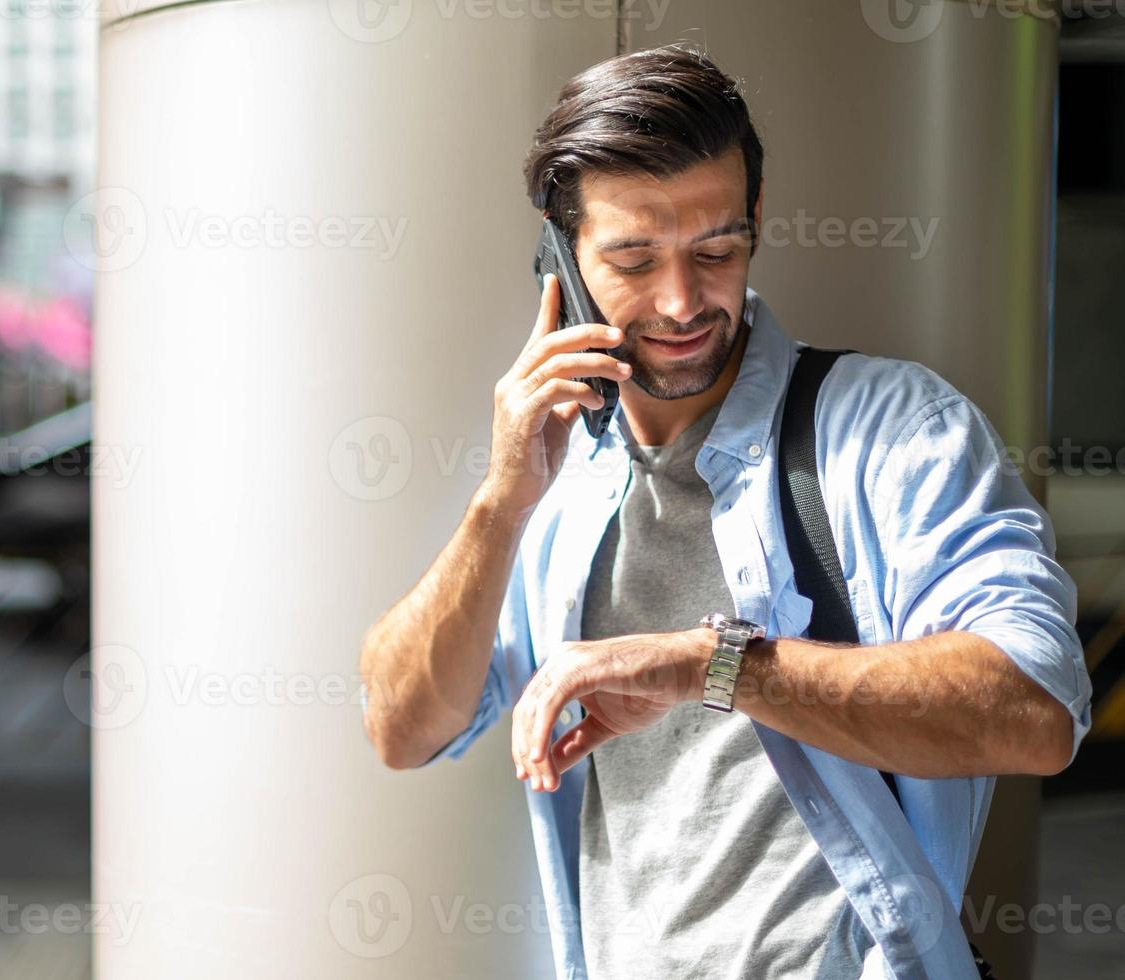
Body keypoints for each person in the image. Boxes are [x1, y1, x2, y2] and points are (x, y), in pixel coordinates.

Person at [357, 43, 1091, 980]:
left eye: (718, 251)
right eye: (633, 259)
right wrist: (501, 500)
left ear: (754, 227)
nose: (682, 301)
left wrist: (716, 666)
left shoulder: (896, 429)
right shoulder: (551, 481)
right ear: (560, 261)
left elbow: (1034, 710)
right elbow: (401, 725)